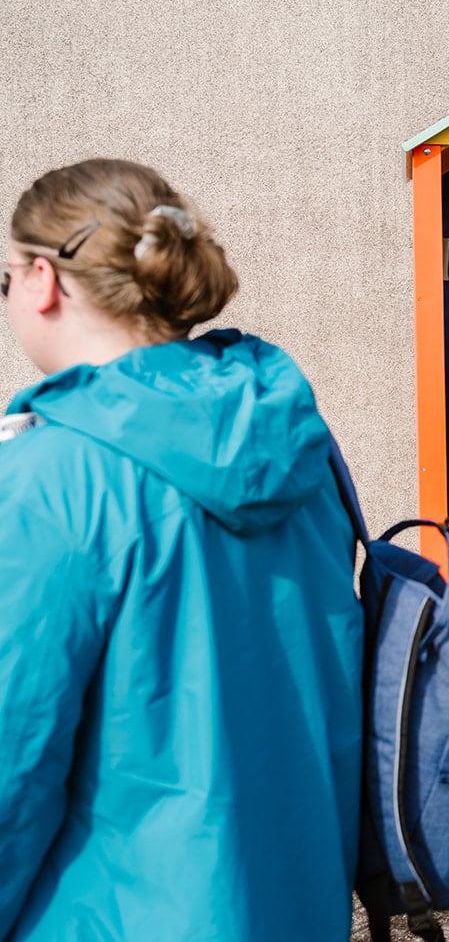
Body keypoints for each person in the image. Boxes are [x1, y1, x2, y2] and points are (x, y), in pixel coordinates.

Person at [0, 159, 363, 939]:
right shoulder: (297, 444)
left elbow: (11, 759)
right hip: (298, 904)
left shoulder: (48, 479)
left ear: (41, 281)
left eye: (3, 281)